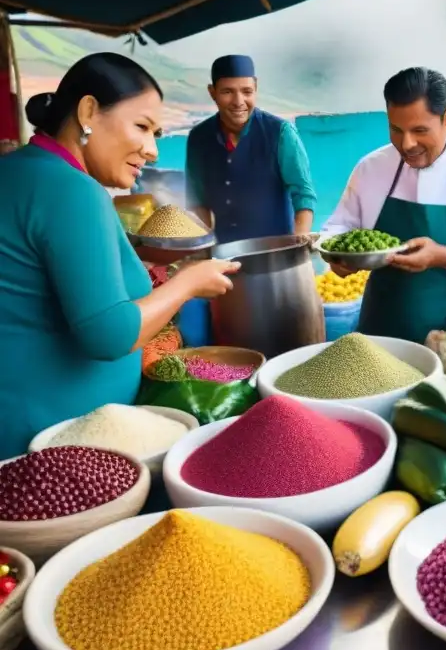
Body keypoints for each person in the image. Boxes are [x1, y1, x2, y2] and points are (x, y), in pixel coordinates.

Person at [0, 53, 239, 457]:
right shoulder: (73, 189)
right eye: (142, 127)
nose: (152, 151)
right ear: (89, 111)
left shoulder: (18, 169)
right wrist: (188, 283)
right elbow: (109, 333)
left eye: (158, 134)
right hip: (53, 445)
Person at [322, 67, 446, 344]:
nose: (407, 143)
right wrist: (338, 257)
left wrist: (441, 255)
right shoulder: (371, 168)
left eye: (420, 130)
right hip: (377, 332)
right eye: (396, 129)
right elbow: (339, 227)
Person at [185, 55, 316, 243]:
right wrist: (205, 247)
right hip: (225, 257)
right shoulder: (199, 137)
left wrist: (299, 240)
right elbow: (197, 202)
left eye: (246, 91)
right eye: (227, 92)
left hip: (278, 255)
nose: (238, 101)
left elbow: (303, 193)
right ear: (212, 92)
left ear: (256, 87)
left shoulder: (280, 132)